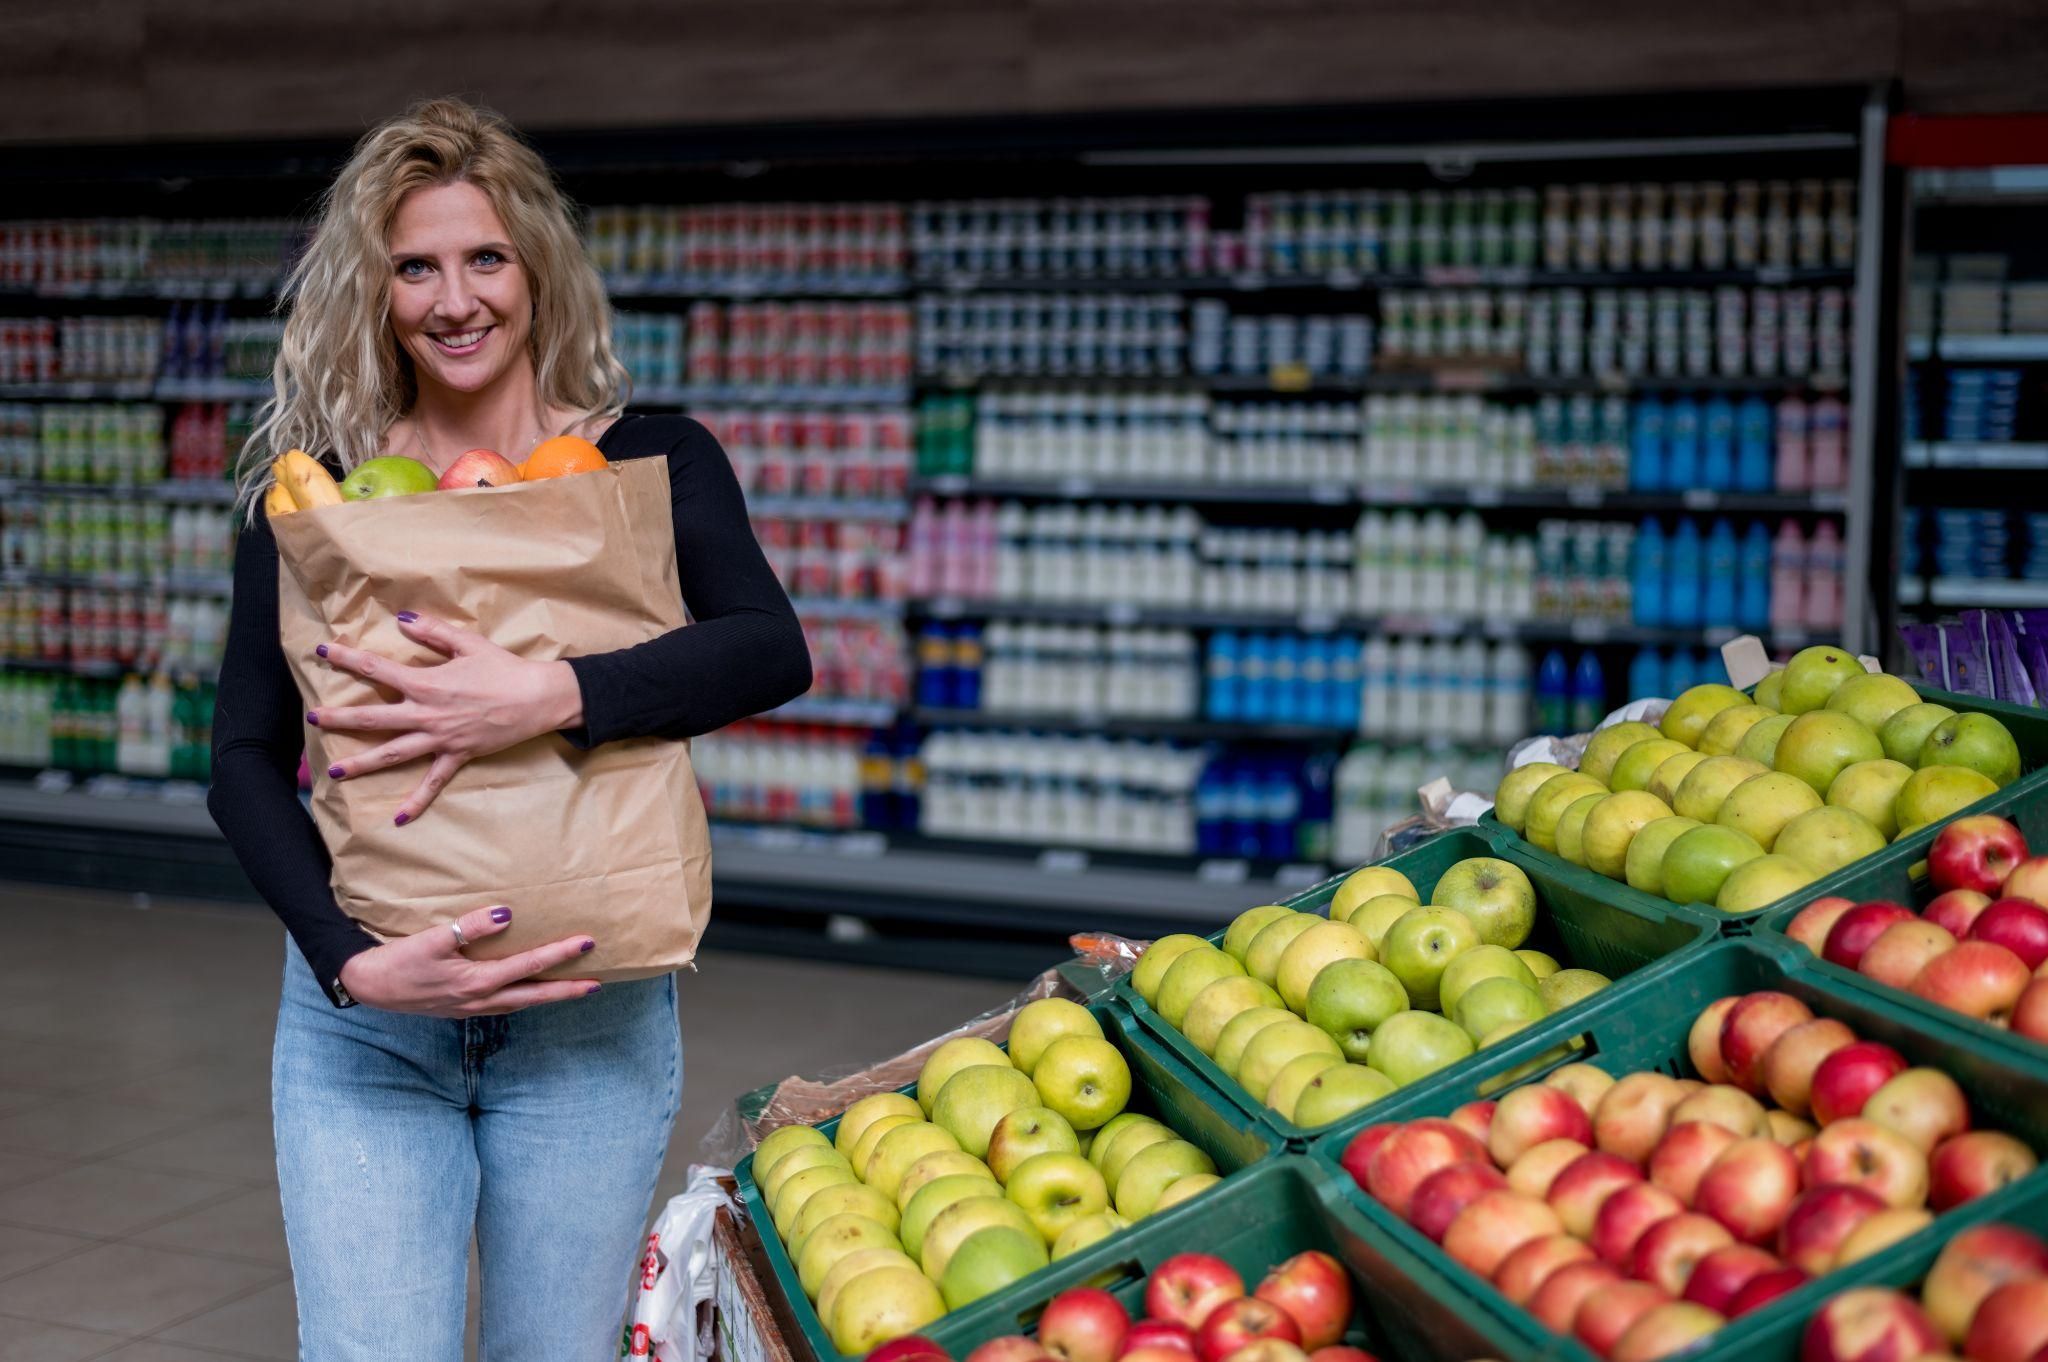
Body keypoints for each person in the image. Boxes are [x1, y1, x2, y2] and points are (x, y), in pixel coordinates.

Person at [208, 97, 811, 1360]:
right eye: (413, 267)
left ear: (537, 267)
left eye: (485, 257)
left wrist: (552, 694)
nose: (454, 298)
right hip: (367, 1019)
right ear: (375, 294)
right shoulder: (318, 498)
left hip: (585, 1011)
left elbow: (768, 646)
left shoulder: (645, 462)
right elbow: (243, 761)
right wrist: (346, 959)